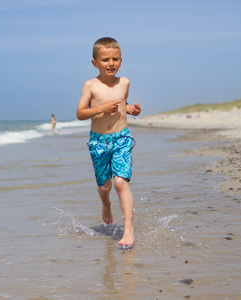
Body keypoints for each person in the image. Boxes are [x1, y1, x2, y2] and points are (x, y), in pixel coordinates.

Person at [76, 37, 141, 249]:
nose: (110, 63)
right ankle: (106, 206)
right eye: (105, 60)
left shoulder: (125, 83)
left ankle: (128, 229)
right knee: (105, 187)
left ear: (121, 60)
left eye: (114, 59)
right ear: (95, 63)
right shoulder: (90, 85)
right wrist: (101, 109)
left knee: (121, 182)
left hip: (121, 138)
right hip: (98, 142)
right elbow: (81, 113)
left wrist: (131, 110)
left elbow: (124, 103)